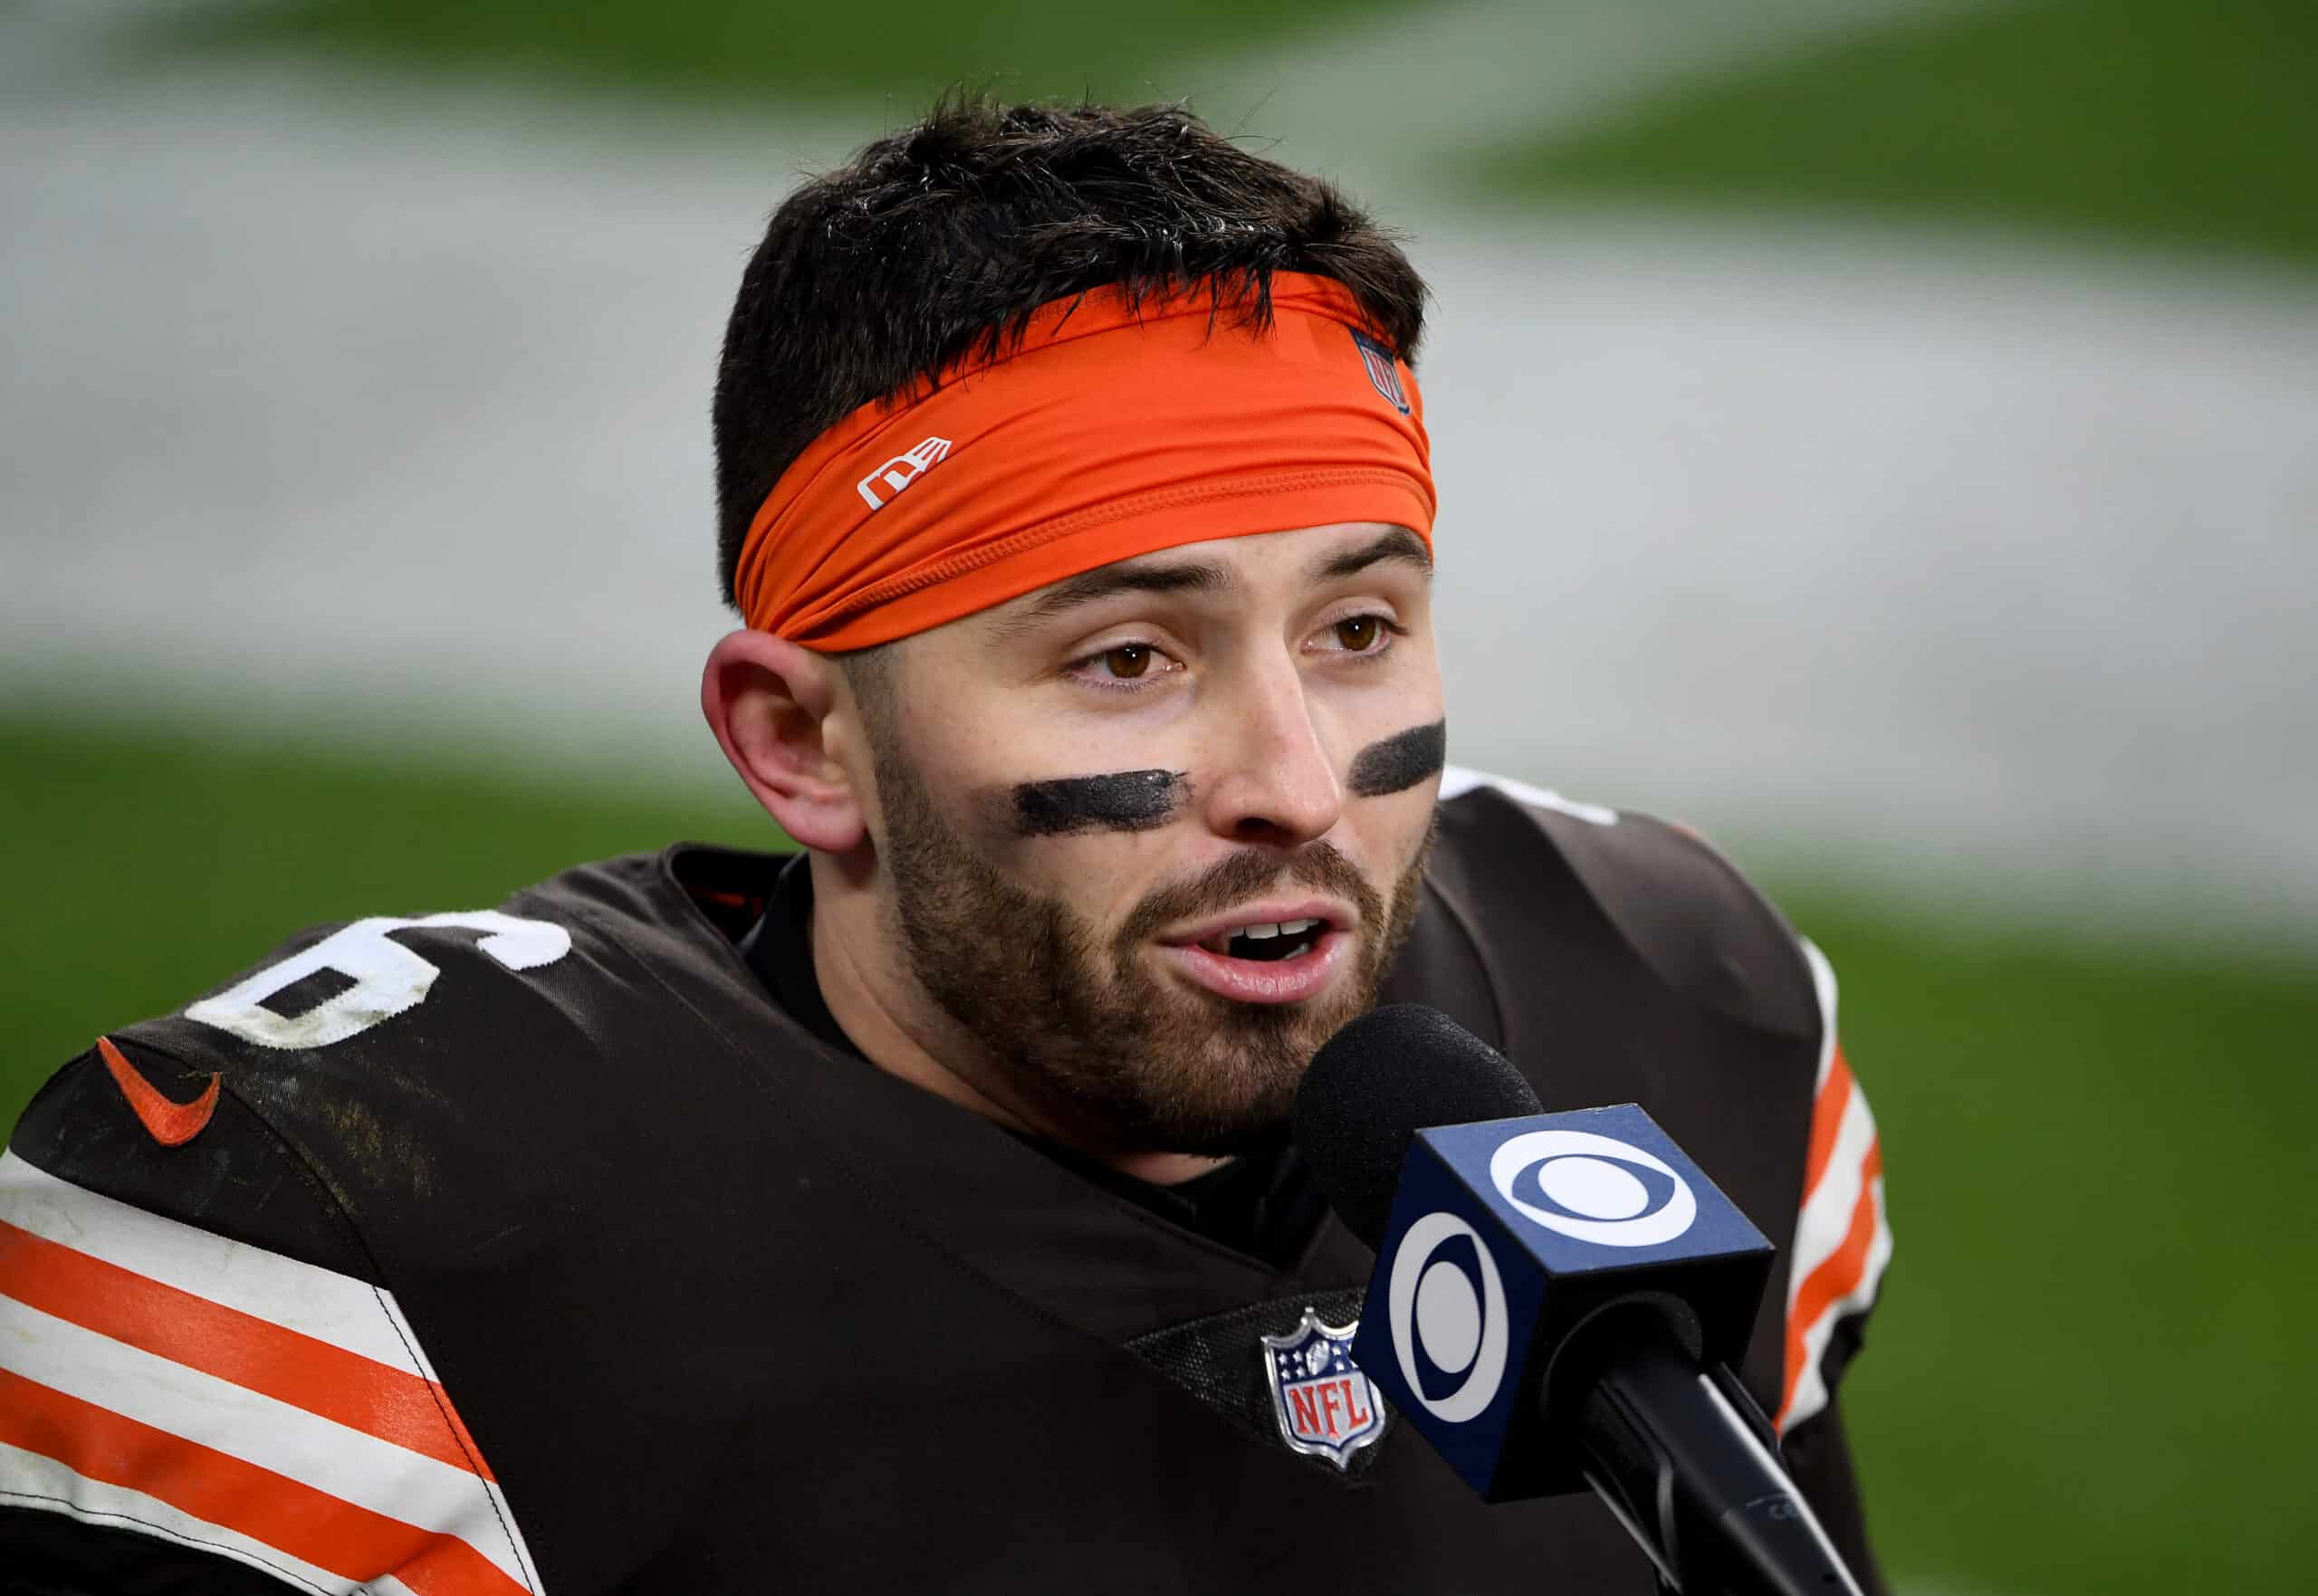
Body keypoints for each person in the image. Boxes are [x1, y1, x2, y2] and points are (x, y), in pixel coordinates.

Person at [0, 99, 1892, 1593]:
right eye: (1129, 659)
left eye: (1355, 631)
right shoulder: (352, 1243)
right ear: (800, 742)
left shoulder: (1672, 1006)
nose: (1297, 784)